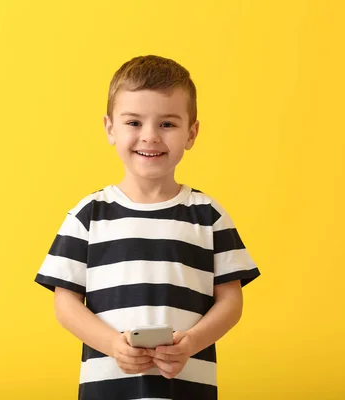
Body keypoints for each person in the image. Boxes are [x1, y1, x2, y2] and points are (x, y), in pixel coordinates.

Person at [34, 55, 261, 400]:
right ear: (111, 128)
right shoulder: (88, 216)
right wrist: (113, 344)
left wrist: (192, 343)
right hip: (108, 389)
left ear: (192, 132)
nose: (150, 137)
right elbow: (65, 305)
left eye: (167, 124)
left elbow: (231, 300)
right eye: (134, 123)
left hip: (187, 388)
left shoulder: (209, 216)